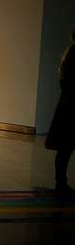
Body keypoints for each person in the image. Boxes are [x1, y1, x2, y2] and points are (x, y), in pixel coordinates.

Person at [45, 30, 75, 195]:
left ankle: (60, 182)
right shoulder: (74, 55)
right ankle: (61, 183)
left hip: (67, 107)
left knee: (65, 148)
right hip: (71, 109)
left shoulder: (69, 54)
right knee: (66, 148)